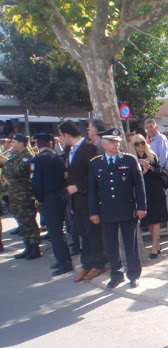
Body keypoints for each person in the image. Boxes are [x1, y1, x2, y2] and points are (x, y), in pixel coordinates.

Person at [88, 129, 146, 289]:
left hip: (127, 209)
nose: (116, 144)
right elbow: (92, 190)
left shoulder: (129, 160)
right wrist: (93, 211)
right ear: (103, 143)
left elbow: (139, 186)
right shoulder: (95, 163)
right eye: (112, 142)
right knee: (111, 245)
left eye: (117, 142)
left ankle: (134, 274)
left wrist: (141, 207)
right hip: (106, 211)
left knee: (131, 244)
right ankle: (117, 274)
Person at [59, 120, 107, 282]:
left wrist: (78, 187)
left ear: (67, 135)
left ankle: (98, 264)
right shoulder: (69, 150)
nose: (61, 140)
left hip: (89, 199)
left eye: (61, 136)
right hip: (76, 202)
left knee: (93, 234)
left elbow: (95, 173)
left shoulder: (89, 148)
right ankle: (86, 264)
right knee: (82, 235)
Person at [31, 133, 72, 275]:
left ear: (38, 145)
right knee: (58, 231)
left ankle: (64, 262)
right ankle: (62, 259)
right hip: (60, 196)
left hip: (50, 198)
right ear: (50, 144)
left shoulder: (39, 159)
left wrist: (39, 198)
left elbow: (36, 182)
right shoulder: (57, 158)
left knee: (55, 233)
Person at [0, 134, 40, 259]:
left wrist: (5, 162)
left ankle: (35, 248)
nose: (12, 144)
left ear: (22, 143)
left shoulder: (27, 157)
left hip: (25, 194)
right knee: (22, 221)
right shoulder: (15, 156)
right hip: (15, 194)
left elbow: (17, 171)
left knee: (28, 221)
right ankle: (28, 246)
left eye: (14, 142)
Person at [130, 134, 168, 259]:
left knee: (156, 220)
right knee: (150, 221)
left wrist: (149, 167)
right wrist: (142, 171)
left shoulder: (152, 156)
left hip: (155, 191)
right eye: (137, 143)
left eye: (142, 142)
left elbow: (161, 173)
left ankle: (154, 247)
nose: (140, 145)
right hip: (143, 193)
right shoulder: (131, 159)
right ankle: (156, 244)